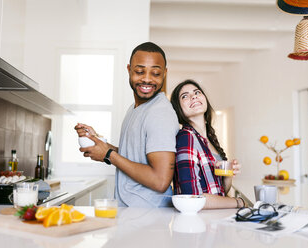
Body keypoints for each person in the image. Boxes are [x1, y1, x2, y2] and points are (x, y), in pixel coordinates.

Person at [75, 42, 179, 207]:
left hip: (148, 217)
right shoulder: (135, 108)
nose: (146, 78)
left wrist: (109, 154)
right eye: (139, 71)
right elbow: (135, 156)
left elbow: (160, 181)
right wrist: (101, 145)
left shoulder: (160, 113)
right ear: (129, 69)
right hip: (134, 214)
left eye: (156, 73)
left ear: (164, 73)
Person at [170, 79, 245, 209]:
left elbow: (220, 191)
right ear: (178, 108)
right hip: (198, 225)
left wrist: (228, 174)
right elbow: (192, 198)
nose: (194, 96)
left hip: (213, 221)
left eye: (197, 92)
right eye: (185, 96)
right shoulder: (186, 137)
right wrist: (238, 202)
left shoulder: (209, 139)